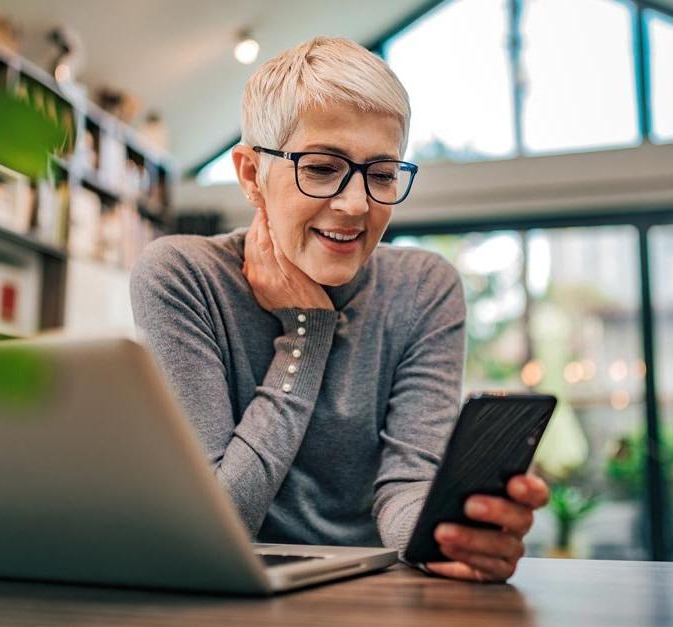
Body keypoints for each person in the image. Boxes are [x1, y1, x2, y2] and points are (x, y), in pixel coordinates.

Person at [130, 36, 549, 582]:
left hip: (374, 597)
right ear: (252, 175)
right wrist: (306, 332)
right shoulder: (182, 277)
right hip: (228, 598)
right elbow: (217, 521)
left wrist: (450, 533)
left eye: (381, 174)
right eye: (323, 167)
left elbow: (405, 488)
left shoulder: (423, 288)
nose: (356, 205)